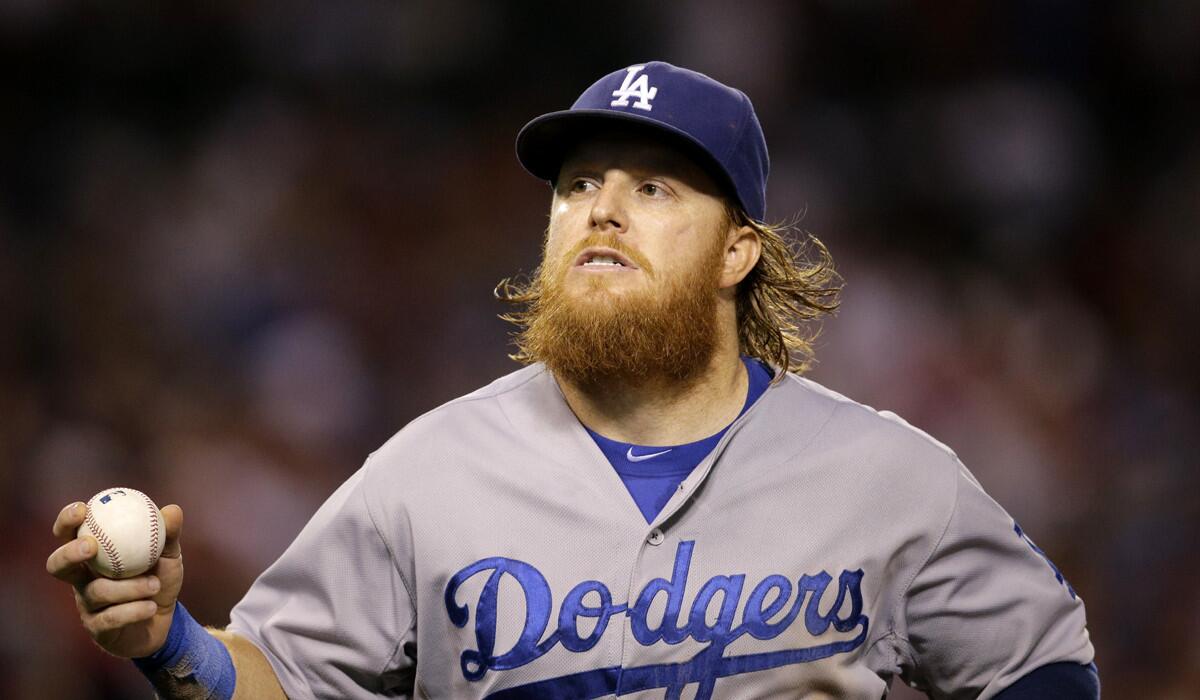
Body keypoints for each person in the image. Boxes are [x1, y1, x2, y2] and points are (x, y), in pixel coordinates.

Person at [47, 62, 1098, 699]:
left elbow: (1039, 660)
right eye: (579, 183)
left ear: (738, 253)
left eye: (651, 187)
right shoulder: (429, 473)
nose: (601, 208)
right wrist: (167, 640)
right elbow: (278, 675)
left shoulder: (886, 475)